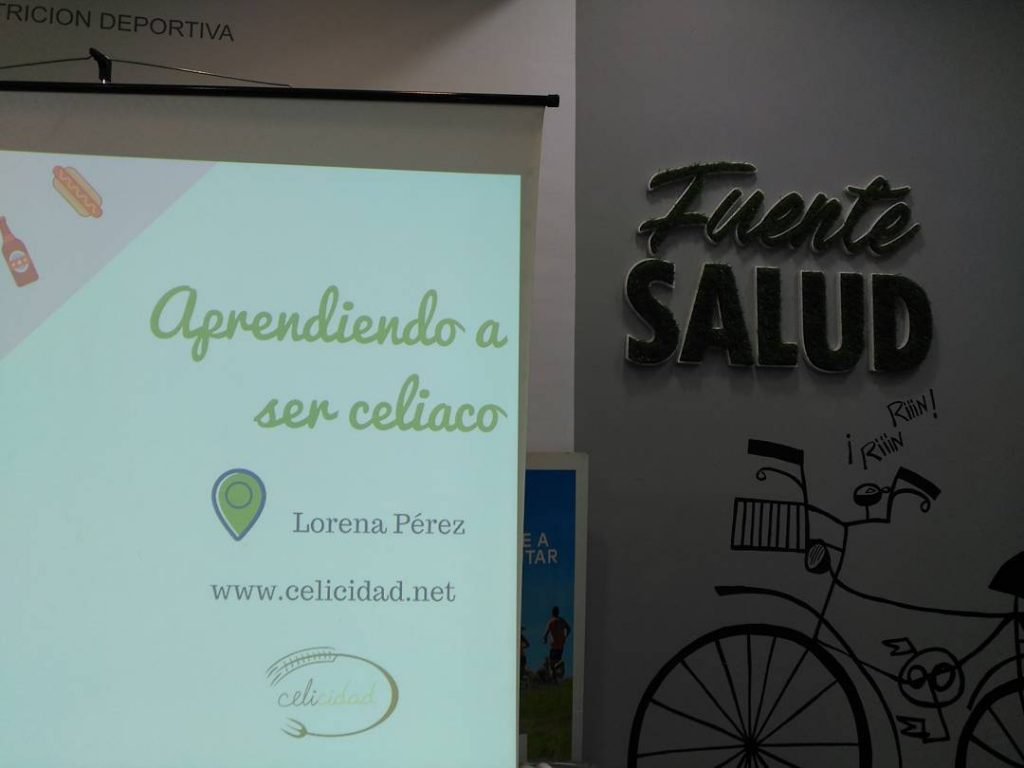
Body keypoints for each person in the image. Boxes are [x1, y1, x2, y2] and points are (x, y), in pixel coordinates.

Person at [542, 605, 571, 680]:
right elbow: (569, 628)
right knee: (556, 660)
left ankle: (559, 667)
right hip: (561, 644)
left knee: (552, 663)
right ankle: (555, 679)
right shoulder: (562, 620)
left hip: (554, 645)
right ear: (558, 612)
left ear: (552, 613)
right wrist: (565, 636)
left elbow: (545, 633)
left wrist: (545, 639)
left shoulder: (551, 621)